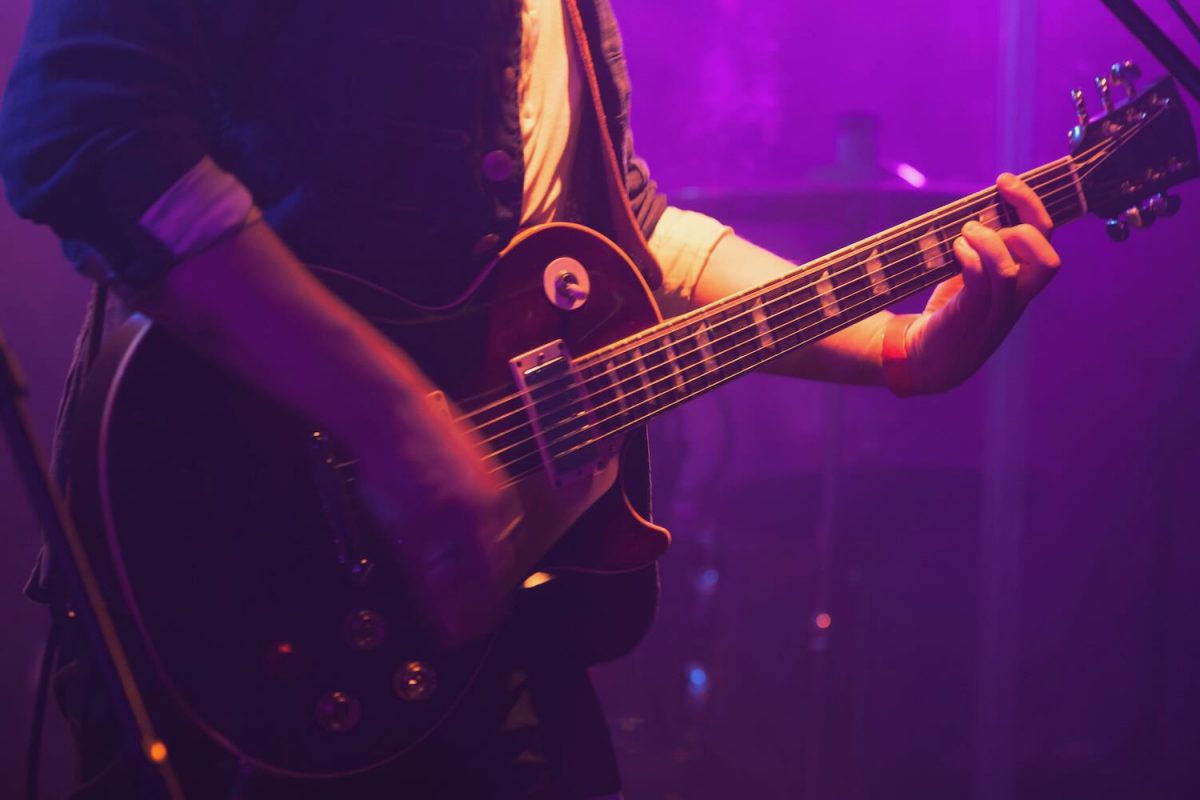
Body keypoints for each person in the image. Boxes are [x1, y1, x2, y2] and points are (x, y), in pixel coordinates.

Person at [0, 0, 1061, 797]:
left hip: (485, 642)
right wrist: (394, 424)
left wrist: (896, 346)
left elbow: (628, 236)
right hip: (226, 593)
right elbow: (78, 124)